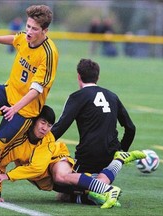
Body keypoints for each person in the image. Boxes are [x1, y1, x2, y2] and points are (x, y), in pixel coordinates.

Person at [0, 5, 58, 200]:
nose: (29, 32)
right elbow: (14, 39)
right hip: (8, 91)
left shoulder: (49, 54)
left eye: (35, 29)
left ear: (45, 31)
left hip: (24, 111)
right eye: (28, 26)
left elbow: (37, 90)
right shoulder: (25, 37)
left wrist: (15, 109)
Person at [0, 105, 143, 209]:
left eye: (49, 125)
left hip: (56, 160)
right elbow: (0, 165)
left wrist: (9, 176)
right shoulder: (17, 142)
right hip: (48, 180)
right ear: (34, 121)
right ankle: (119, 160)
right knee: (78, 194)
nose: (45, 128)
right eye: (43, 122)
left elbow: (37, 168)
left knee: (61, 176)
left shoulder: (47, 139)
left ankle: (109, 189)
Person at [51, 58, 145, 203]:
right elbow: (130, 128)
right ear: (97, 77)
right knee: (93, 181)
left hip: (88, 155)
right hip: (110, 154)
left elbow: (60, 127)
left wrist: (40, 145)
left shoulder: (77, 97)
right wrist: (121, 149)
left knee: (58, 184)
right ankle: (118, 161)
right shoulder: (112, 96)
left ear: (78, 76)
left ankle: (88, 195)